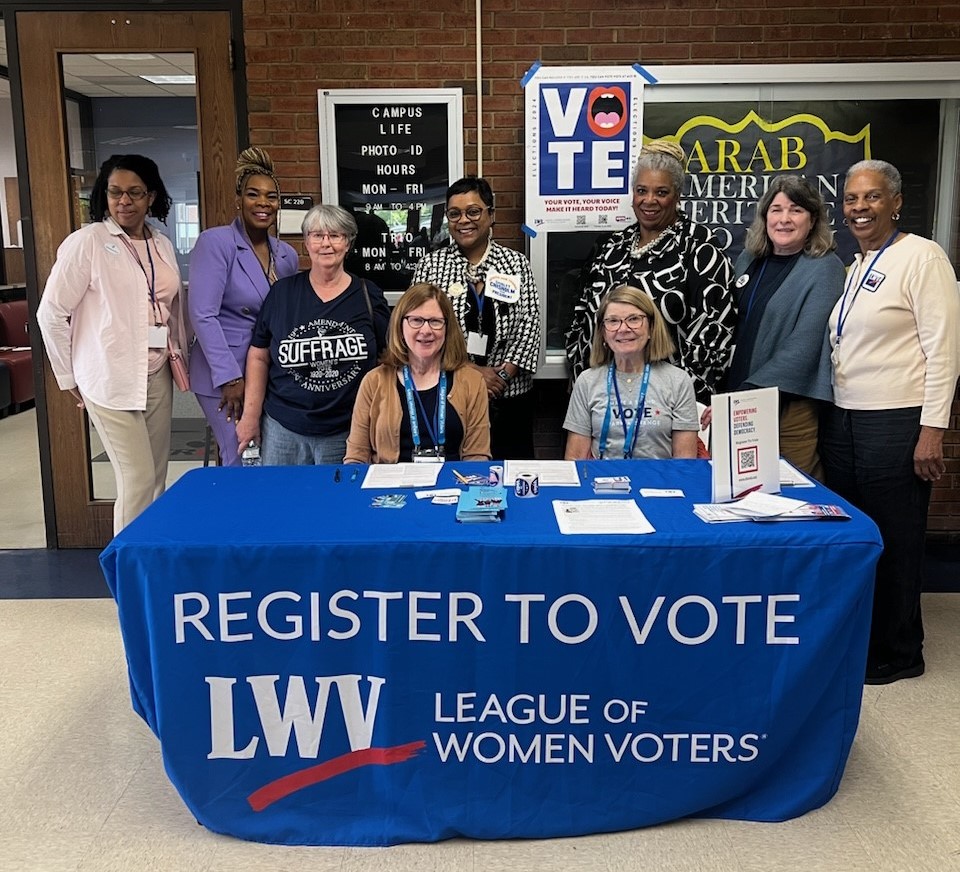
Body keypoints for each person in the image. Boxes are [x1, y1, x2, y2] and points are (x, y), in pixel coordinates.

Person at [821, 159, 960, 685]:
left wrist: (932, 429)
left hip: (897, 420)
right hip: (847, 416)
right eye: (852, 199)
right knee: (860, 535)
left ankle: (901, 652)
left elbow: (944, 349)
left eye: (872, 197)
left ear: (896, 202)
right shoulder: (856, 264)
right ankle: (870, 639)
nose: (859, 207)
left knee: (895, 537)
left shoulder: (922, 257)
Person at [37, 154, 186, 534]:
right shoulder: (87, 243)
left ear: (151, 196)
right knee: (136, 479)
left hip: (155, 373)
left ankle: (152, 559)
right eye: (115, 192)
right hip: (108, 375)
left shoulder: (162, 244)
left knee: (155, 478)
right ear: (104, 195)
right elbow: (50, 313)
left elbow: (171, 305)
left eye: (135, 192)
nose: (124, 201)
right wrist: (69, 377)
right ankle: (127, 574)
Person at [565, 140, 735, 403]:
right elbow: (583, 318)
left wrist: (676, 398)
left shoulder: (698, 247)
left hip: (664, 404)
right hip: (602, 397)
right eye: (641, 190)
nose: (649, 200)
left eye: (661, 192)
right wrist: (582, 380)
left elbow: (714, 334)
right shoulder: (612, 246)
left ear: (677, 196)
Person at [236, 204, 389, 465]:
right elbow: (259, 356)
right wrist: (250, 417)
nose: (326, 244)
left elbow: (387, 358)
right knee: (283, 501)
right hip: (283, 428)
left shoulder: (367, 294)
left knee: (338, 504)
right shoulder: (282, 293)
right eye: (317, 235)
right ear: (306, 242)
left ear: (348, 243)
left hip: (348, 430)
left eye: (336, 235)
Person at [722, 175, 845, 478]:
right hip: (737, 399)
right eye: (776, 210)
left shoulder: (825, 268)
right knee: (740, 489)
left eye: (796, 210)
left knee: (793, 492)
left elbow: (805, 344)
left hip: (789, 406)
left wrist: (747, 394)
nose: (784, 219)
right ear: (765, 217)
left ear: (813, 218)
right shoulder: (750, 259)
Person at [412, 176, 541, 459]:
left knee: (511, 471)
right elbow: (420, 331)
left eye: (473, 211)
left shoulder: (515, 263)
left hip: (509, 395)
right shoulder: (431, 267)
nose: (463, 221)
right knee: (461, 475)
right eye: (454, 214)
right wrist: (470, 373)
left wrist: (502, 376)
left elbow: (529, 325)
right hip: (451, 394)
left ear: (491, 215)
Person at [188, 147, 300, 466]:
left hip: (269, 370)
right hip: (226, 373)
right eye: (253, 194)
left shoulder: (286, 255)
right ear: (239, 198)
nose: (263, 203)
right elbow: (202, 314)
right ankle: (235, 517)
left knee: (265, 456)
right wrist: (230, 378)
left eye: (271, 197)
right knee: (240, 455)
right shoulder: (216, 243)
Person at [344, 283, 491, 464]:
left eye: (435, 321)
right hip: (389, 489)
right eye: (416, 320)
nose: (426, 330)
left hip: (452, 486)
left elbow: (477, 456)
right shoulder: (374, 381)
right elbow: (356, 457)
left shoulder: (472, 381)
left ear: (447, 328)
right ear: (400, 325)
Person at [564, 285, 699, 460]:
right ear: (603, 333)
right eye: (613, 321)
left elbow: (684, 464)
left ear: (651, 328)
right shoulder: (587, 381)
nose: (623, 329)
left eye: (634, 319)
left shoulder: (678, 381)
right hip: (602, 484)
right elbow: (575, 462)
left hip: (659, 484)